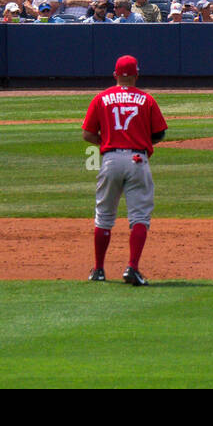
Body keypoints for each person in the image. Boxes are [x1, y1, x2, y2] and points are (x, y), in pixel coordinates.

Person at [83, 55, 167, 286]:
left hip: (110, 159)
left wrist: (107, 141)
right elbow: (160, 133)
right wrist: (140, 139)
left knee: (104, 216)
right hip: (138, 159)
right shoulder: (146, 99)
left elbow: (87, 133)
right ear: (137, 75)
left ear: (115, 75)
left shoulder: (101, 98)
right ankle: (132, 268)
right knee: (139, 217)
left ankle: (98, 270)